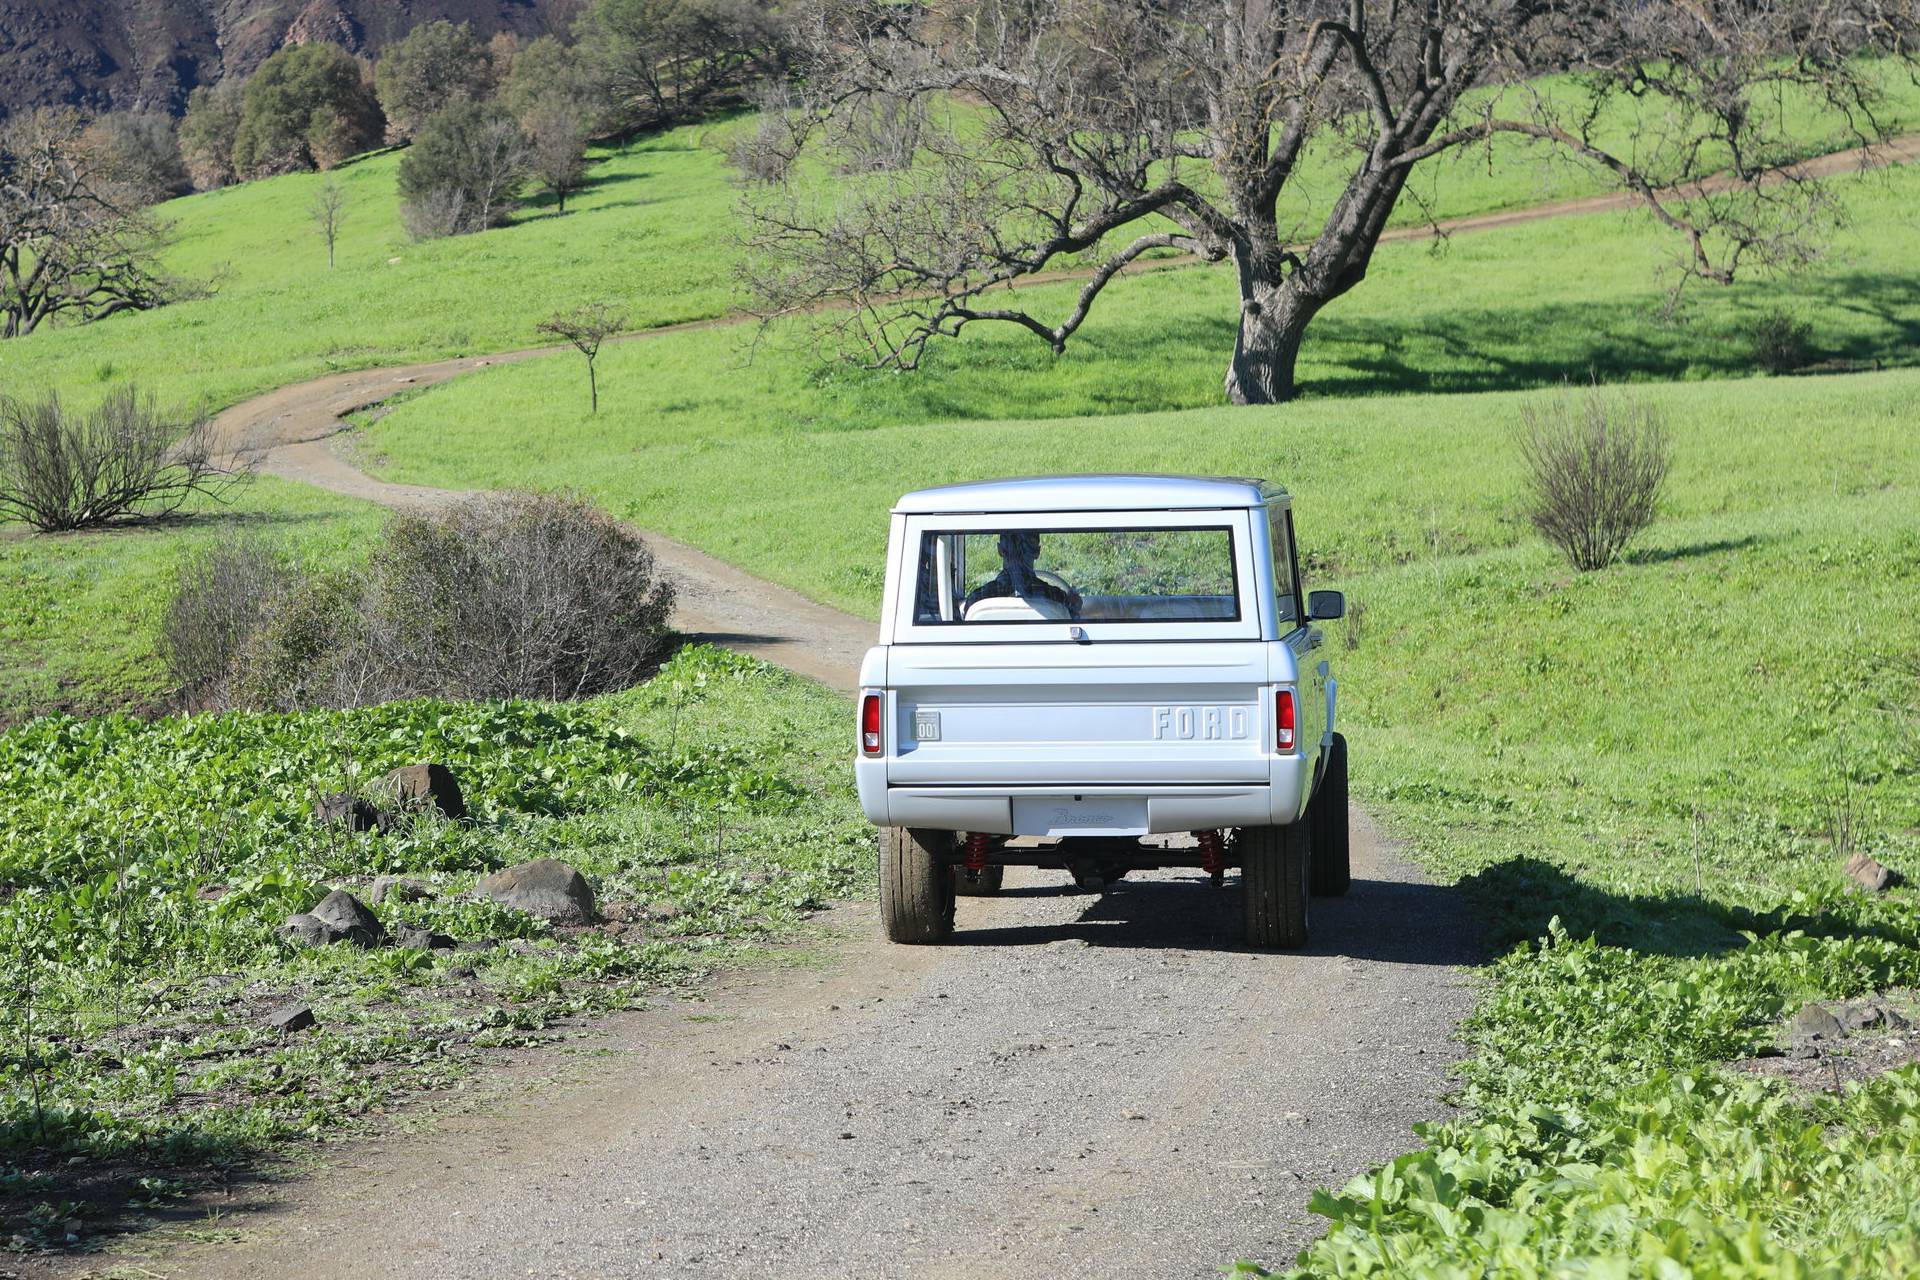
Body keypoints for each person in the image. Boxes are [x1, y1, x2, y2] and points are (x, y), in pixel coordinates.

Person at [964, 530, 1080, 617]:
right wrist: (1074, 604)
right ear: (1037, 552)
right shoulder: (1057, 597)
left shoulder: (977, 599)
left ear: (1000, 550)